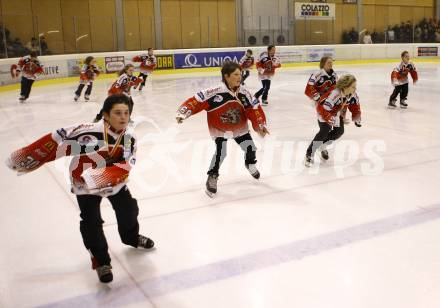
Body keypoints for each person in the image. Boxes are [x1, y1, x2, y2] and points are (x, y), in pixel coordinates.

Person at [5, 94, 155, 283]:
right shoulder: (89, 133)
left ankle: (131, 237)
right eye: (117, 113)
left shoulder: (128, 138)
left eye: (126, 113)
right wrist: (26, 156)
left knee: (129, 209)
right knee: (91, 222)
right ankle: (101, 262)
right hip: (84, 185)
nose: (123, 117)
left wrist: (99, 177)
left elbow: (125, 166)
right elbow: (57, 140)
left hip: (113, 182)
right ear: (106, 115)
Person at [176, 61, 269, 197]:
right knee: (221, 153)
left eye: (241, 74)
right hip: (219, 129)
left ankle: (250, 164)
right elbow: (196, 101)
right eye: (236, 74)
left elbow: (254, 109)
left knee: (251, 148)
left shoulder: (245, 93)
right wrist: (184, 112)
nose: (240, 77)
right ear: (226, 76)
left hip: (239, 128)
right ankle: (212, 176)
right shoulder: (214, 92)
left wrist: (260, 125)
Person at [304, 74, 362, 167]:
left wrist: (356, 118)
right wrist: (331, 119)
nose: (355, 89)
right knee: (324, 130)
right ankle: (309, 154)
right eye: (353, 87)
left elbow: (355, 106)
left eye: (355, 86)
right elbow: (323, 108)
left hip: (335, 113)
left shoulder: (353, 94)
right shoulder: (335, 94)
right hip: (323, 110)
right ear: (346, 86)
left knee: (339, 131)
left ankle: (322, 145)